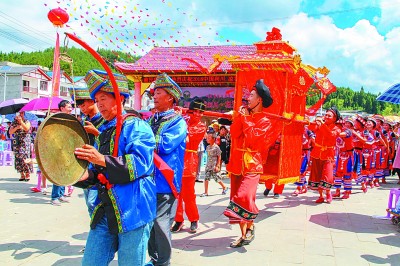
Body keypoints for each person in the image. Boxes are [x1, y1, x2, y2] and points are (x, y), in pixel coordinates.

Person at [73, 69, 157, 265]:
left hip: (134, 209)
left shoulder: (137, 126)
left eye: (103, 98)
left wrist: (102, 160)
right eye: (97, 99)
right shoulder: (105, 129)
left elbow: (140, 163)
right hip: (105, 208)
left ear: (119, 98)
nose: (99, 104)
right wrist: (81, 176)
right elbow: (99, 173)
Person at [223, 79, 278, 248]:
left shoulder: (266, 121)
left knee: (244, 198)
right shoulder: (245, 115)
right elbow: (234, 133)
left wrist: (245, 118)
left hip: (253, 165)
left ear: (259, 100)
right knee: (237, 198)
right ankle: (245, 232)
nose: (248, 98)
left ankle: (250, 225)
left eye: (252, 95)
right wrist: (239, 117)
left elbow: (253, 139)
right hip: (238, 163)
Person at [147, 73, 187, 266]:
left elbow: (164, 145)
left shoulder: (177, 122)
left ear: (170, 97)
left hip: (165, 181)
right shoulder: (152, 119)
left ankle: (163, 262)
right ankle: (155, 259)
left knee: (160, 224)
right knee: (150, 224)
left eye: (159, 92)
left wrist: (141, 141)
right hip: (148, 179)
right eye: (154, 93)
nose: (154, 96)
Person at [171, 98, 206, 234]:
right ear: (190, 111)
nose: (197, 114)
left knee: (189, 195)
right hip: (177, 161)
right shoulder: (182, 121)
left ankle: (194, 219)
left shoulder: (201, 127)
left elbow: (187, 136)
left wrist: (179, 120)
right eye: (194, 111)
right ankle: (178, 219)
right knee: (177, 193)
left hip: (190, 162)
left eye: (200, 112)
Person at [69, 86, 105, 215]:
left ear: (91, 101)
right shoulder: (85, 120)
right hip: (86, 165)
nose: (82, 108)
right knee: (89, 202)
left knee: (93, 202)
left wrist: (96, 132)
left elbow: (111, 139)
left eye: (83, 104)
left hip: (101, 165)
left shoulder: (105, 119)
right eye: (79, 106)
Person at [307, 107, 342, 204]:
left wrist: (321, 124)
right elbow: (310, 127)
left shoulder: (337, 128)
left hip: (328, 154)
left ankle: (328, 193)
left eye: (329, 115)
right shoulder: (319, 125)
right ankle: (321, 196)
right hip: (317, 152)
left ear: (334, 118)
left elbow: (330, 135)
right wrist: (313, 121)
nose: (326, 117)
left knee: (327, 175)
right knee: (317, 174)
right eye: (325, 115)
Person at [50, 100, 72, 206]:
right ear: (62, 108)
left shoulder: (70, 119)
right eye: (68, 106)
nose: (71, 108)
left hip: (67, 148)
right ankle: (54, 197)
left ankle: (61, 194)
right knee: (58, 173)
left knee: (65, 172)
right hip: (58, 148)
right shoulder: (57, 118)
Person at [200, 131, 229, 197]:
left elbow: (219, 156)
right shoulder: (207, 147)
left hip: (214, 166)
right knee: (206, 178)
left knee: (217, 178)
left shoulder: (216, 147)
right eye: (207, 138)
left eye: (209, 138)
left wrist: (218, 165)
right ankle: (206, 192)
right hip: (208, 166)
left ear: (213, 139)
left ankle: (224, 187)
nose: (207, 139)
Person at [8, 111, 32, 181]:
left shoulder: (26, 121)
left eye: (22, 113)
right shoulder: (14, 122)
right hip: (17, 141)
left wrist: (21, 122)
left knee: (25, 156)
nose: (20, 115)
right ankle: (21, 173)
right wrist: (17, 127)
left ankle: (27, 173)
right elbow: (10, 132)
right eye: (19, 113)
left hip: (25, 141)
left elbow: (27, 128)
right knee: (18, 157)